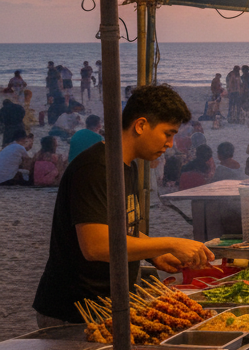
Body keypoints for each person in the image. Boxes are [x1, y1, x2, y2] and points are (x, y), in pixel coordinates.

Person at [33, 85, 214, 326]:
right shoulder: (96, 168)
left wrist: (153, 253)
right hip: (74, 311)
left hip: (111, 305)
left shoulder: (128, 165)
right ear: (140, 125)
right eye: (167, 134)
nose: (170, 144)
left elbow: (121, 227)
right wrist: (170, 243)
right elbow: (96, 245)